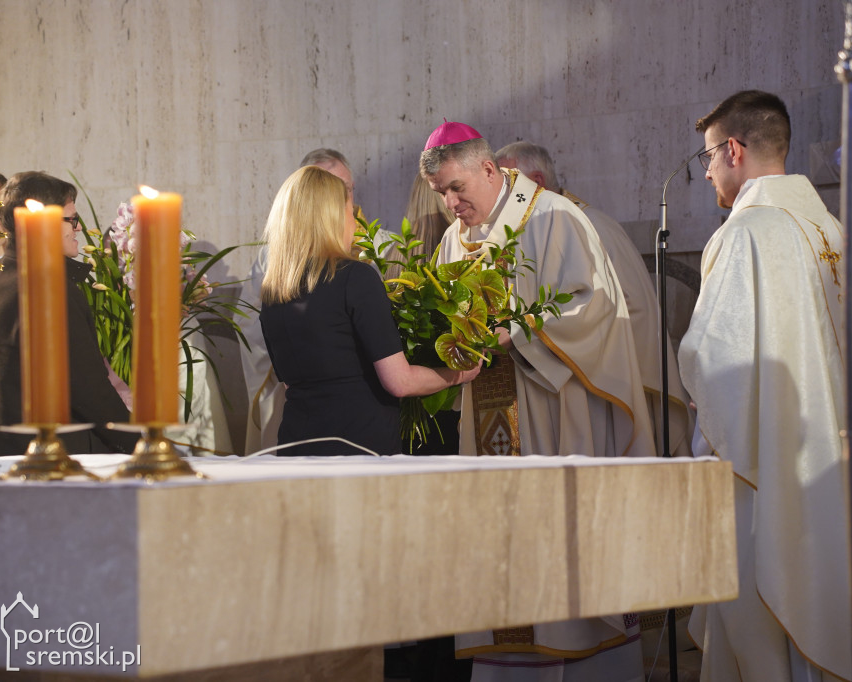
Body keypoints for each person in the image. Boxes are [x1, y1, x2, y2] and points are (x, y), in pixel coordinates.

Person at [679, 90, 852, 681]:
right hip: (846, 462)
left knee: (773, 594)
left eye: (708, 157)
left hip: (777, 466)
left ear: (733, 150)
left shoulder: (744, 234)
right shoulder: (829, 229)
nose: (707, 173)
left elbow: (717, 364)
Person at [421, 122, 652, 681]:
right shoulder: (454, 238)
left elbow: (592, 305)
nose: (451, 204)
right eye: (441, 194)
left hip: (556, 409)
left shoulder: (553, 217)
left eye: (456, 188)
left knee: (561, 541)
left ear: (489, 170)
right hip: (490, 413)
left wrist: (517, 333)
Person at [257, 165, 479, 457]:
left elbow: (290, 383)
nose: (354, 221)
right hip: (358, 445)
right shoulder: (354, 277)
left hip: (297, 444)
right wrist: (459, 374)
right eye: (350, 211)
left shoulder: (273, 291)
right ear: (333, 216)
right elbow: (399, 382)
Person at [495, 141, 692, 458]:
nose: (503, 195)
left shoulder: (586, 223)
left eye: (510, 183)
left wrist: (526, 330)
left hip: (602, 383)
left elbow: (617, 307)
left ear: (537, 181)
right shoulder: (534, 229)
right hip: (570, 377)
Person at [0, 171, 138, 457]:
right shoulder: (51, 288)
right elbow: (88, 389)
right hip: (54, 460)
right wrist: (141, 443)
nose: (78, 228)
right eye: (71, 219)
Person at [238, 148, 385, 454]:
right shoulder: (273, 258)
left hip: (362, 400)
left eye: (346, 189)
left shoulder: (381, 243)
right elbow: (253, 322)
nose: (339, 197)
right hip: (311, 398)